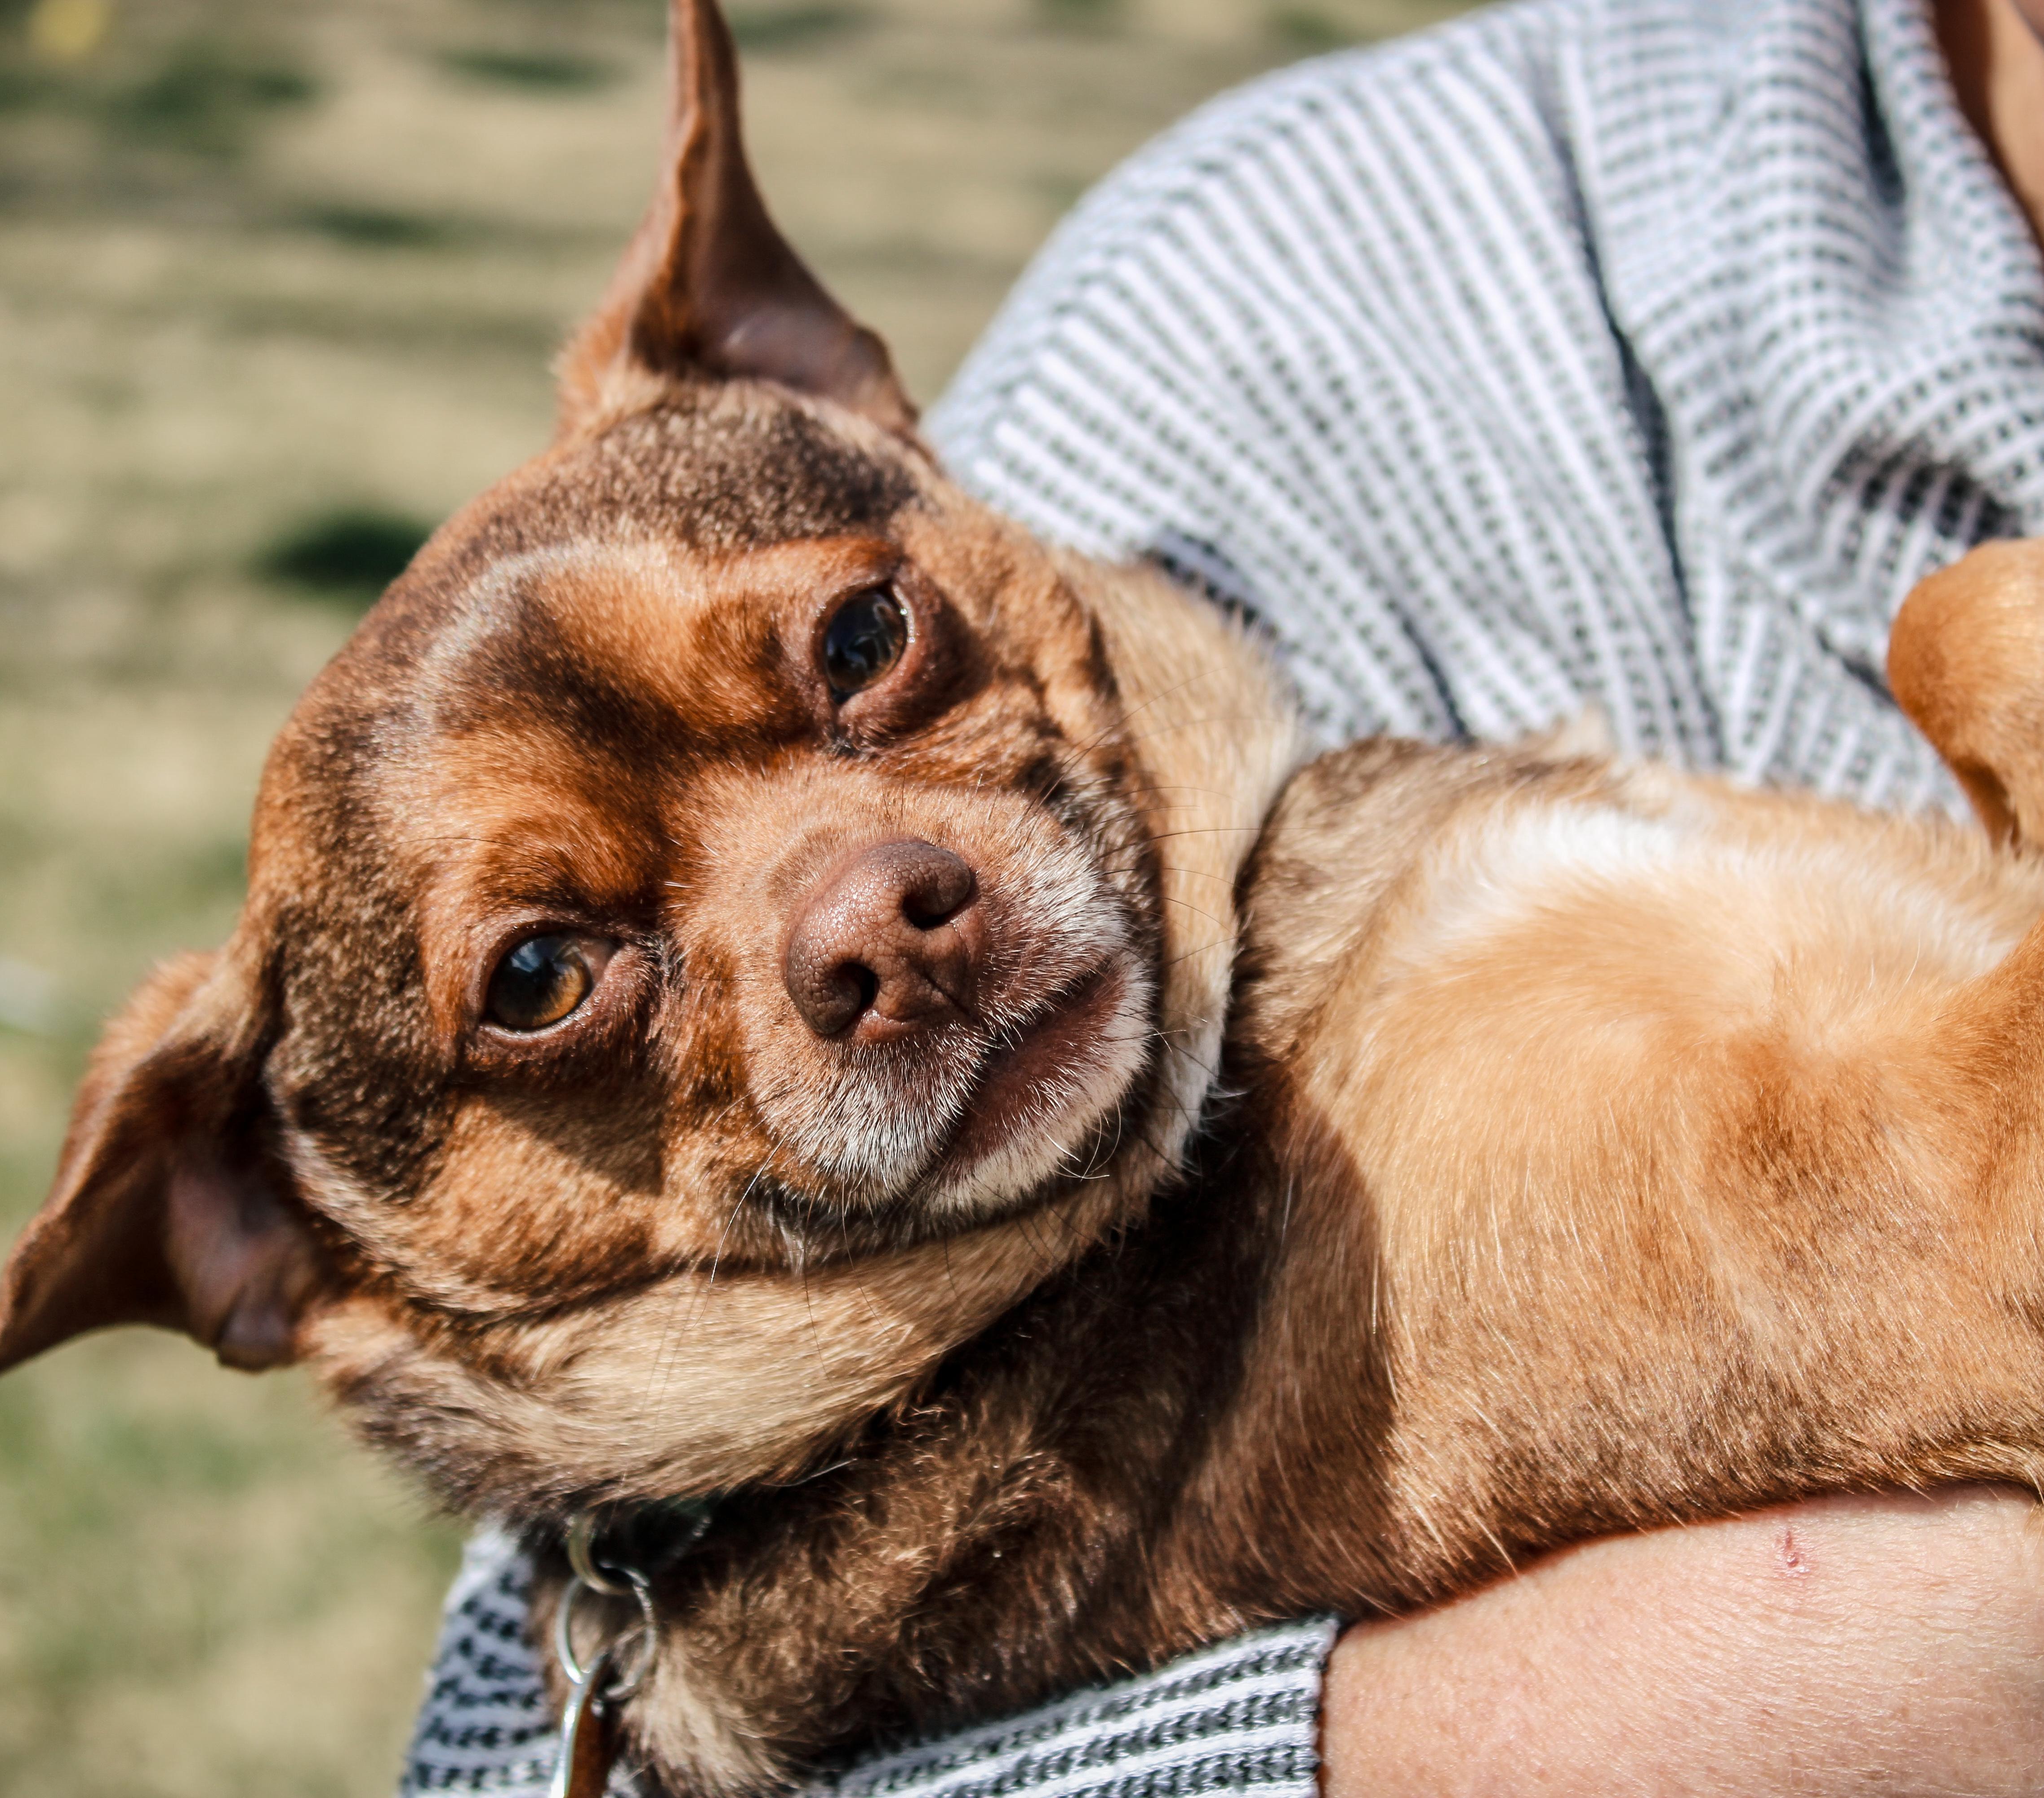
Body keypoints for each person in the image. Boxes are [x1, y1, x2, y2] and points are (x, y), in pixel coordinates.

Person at [401, 0, 2044, 1790]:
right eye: (550, 968)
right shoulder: (1266, 318)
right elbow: (518, 1740)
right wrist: (1466, 1736)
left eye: (866, 650)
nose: (860, 905)